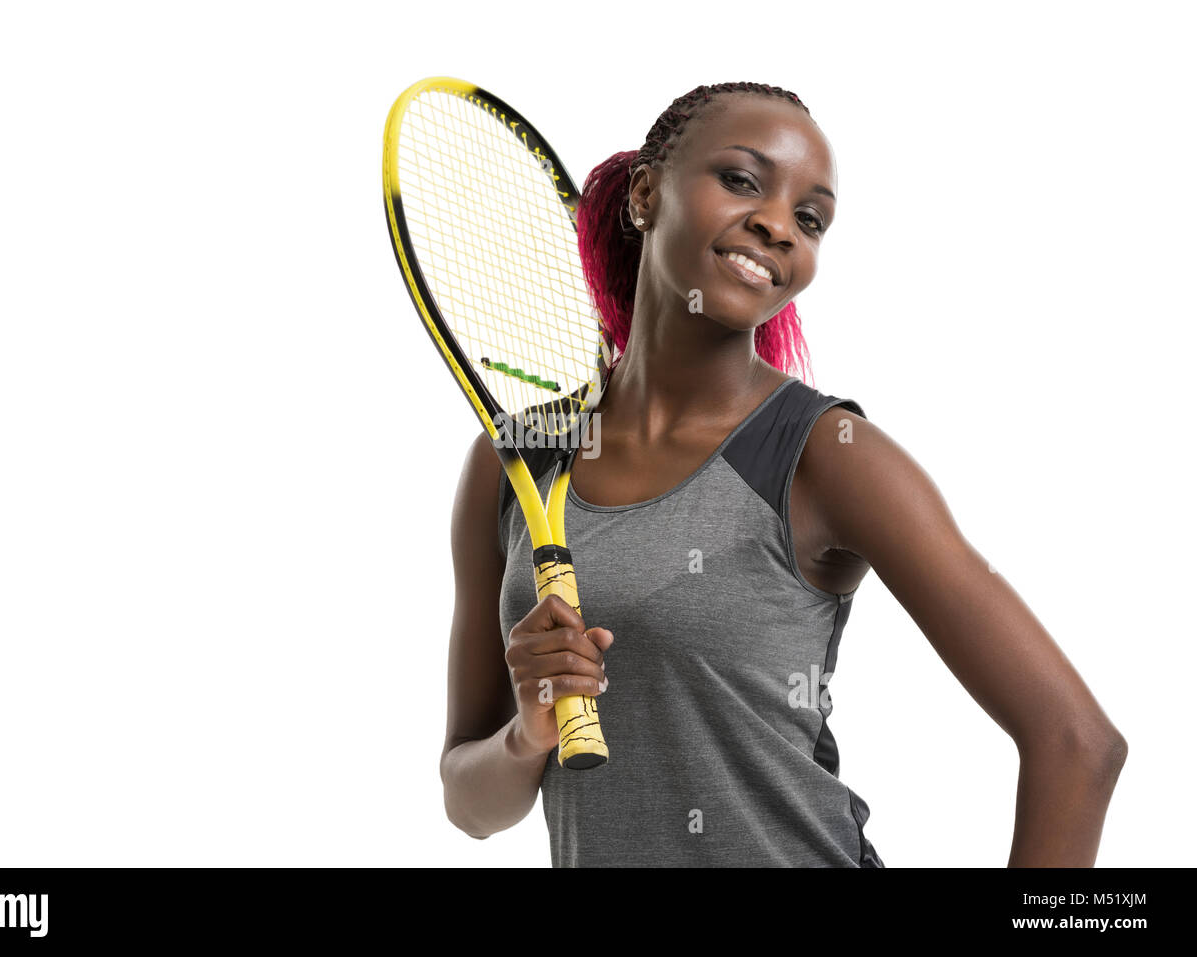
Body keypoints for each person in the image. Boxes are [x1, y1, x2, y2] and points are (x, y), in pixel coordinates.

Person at [438, 81, 1127, 867]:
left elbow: (1078, 741)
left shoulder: (828, 454)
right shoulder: (514, 463)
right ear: (644, 194)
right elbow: (471, 806)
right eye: (740, 179)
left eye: (811, 219)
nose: (777, 224)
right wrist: (530, 730)